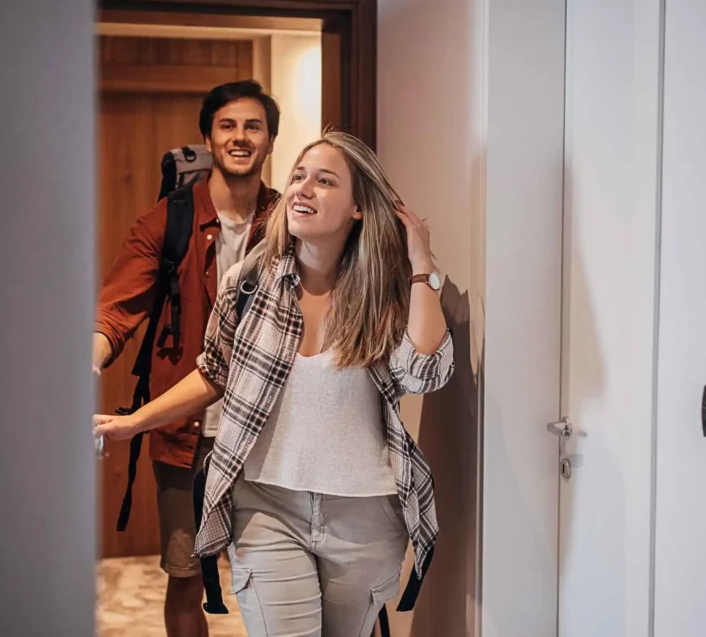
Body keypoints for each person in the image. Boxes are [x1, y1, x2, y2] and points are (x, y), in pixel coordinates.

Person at [95, 130, 454, 637]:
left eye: (325, 180)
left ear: (358, 207)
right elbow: (213, 372)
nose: (302, 189)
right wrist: (135, 422)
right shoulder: (248, 282)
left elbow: (426, 372)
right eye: (298, 176)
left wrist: (421, 267)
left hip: (364, 515)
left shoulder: (385, 291)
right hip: (267, 506)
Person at [92, 80, 280, 637]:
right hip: (184, 432)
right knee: (186, 576)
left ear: (270, 140)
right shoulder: (168, 220)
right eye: (228, 125)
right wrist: (87, 361)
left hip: (272, 430)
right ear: (208, 136)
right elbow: (115, 310)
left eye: (253, 126)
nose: (240, 137)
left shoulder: (288, 221)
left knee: (277, 575)